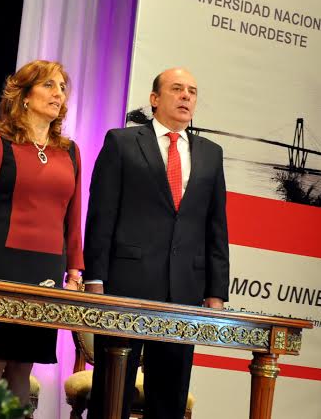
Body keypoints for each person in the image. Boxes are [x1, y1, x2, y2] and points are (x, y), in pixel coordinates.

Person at [83, 67, 229, 419]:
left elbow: (216, 225)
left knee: (169, 396)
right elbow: (102, 215)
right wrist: (95, 278)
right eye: (177, 89)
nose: (186, 96)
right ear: (154, 98)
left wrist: (216, 291)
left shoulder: (211, 153)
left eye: (192, 91)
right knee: (112, 392)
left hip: (184, 290)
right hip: (126, 284)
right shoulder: (122, 142)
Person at [0, 60, 84, 405]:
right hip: (1, 263)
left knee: (23, 364)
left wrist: (75, 270)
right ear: (24, 96)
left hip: (46, 267)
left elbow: (74, 217)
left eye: (62, 87)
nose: (58, 94)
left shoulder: (70, 151)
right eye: (48, 85)